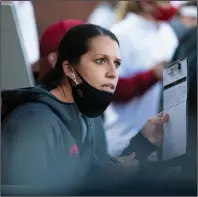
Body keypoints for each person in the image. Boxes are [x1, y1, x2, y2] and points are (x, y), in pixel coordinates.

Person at [1, 23, 169, 195]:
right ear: (70, 70)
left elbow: (94, 181)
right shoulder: (34, 121)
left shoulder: (81, 112)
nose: (113, 72)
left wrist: (143, 142)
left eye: (117, 64)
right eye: (100, 61)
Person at [104, 0, 179, 158]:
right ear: (145, 3)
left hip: (160, 140)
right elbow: (109, 89)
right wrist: (151, 76)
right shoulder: (121, 33)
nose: (170, 5)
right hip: (125, 139)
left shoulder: (167, 32)